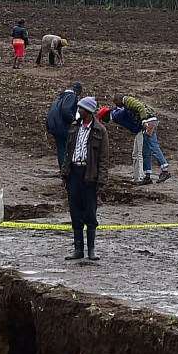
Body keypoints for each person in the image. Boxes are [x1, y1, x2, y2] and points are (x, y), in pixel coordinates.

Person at [65, 97, 106, 263]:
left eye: (80, 108)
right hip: (74, 173)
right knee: (75, 212)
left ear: (88, 111)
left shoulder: (100, 131)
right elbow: (68, 152)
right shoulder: (74, 127)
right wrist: (64, 172)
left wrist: (101, 181)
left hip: (90, 176)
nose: (78, 111)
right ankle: (78, 249)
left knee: (90, 213)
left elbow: (104, 159)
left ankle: (91, 249)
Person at [45, 82, 82, 175]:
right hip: (62, 127)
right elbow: (66, 110)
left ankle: (63, 170)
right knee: (67, 148)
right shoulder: (71, 96)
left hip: (54, 126)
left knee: (61, 148)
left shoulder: (60, 97)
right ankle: (66, 171)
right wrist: (73, 120)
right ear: (77, 91)